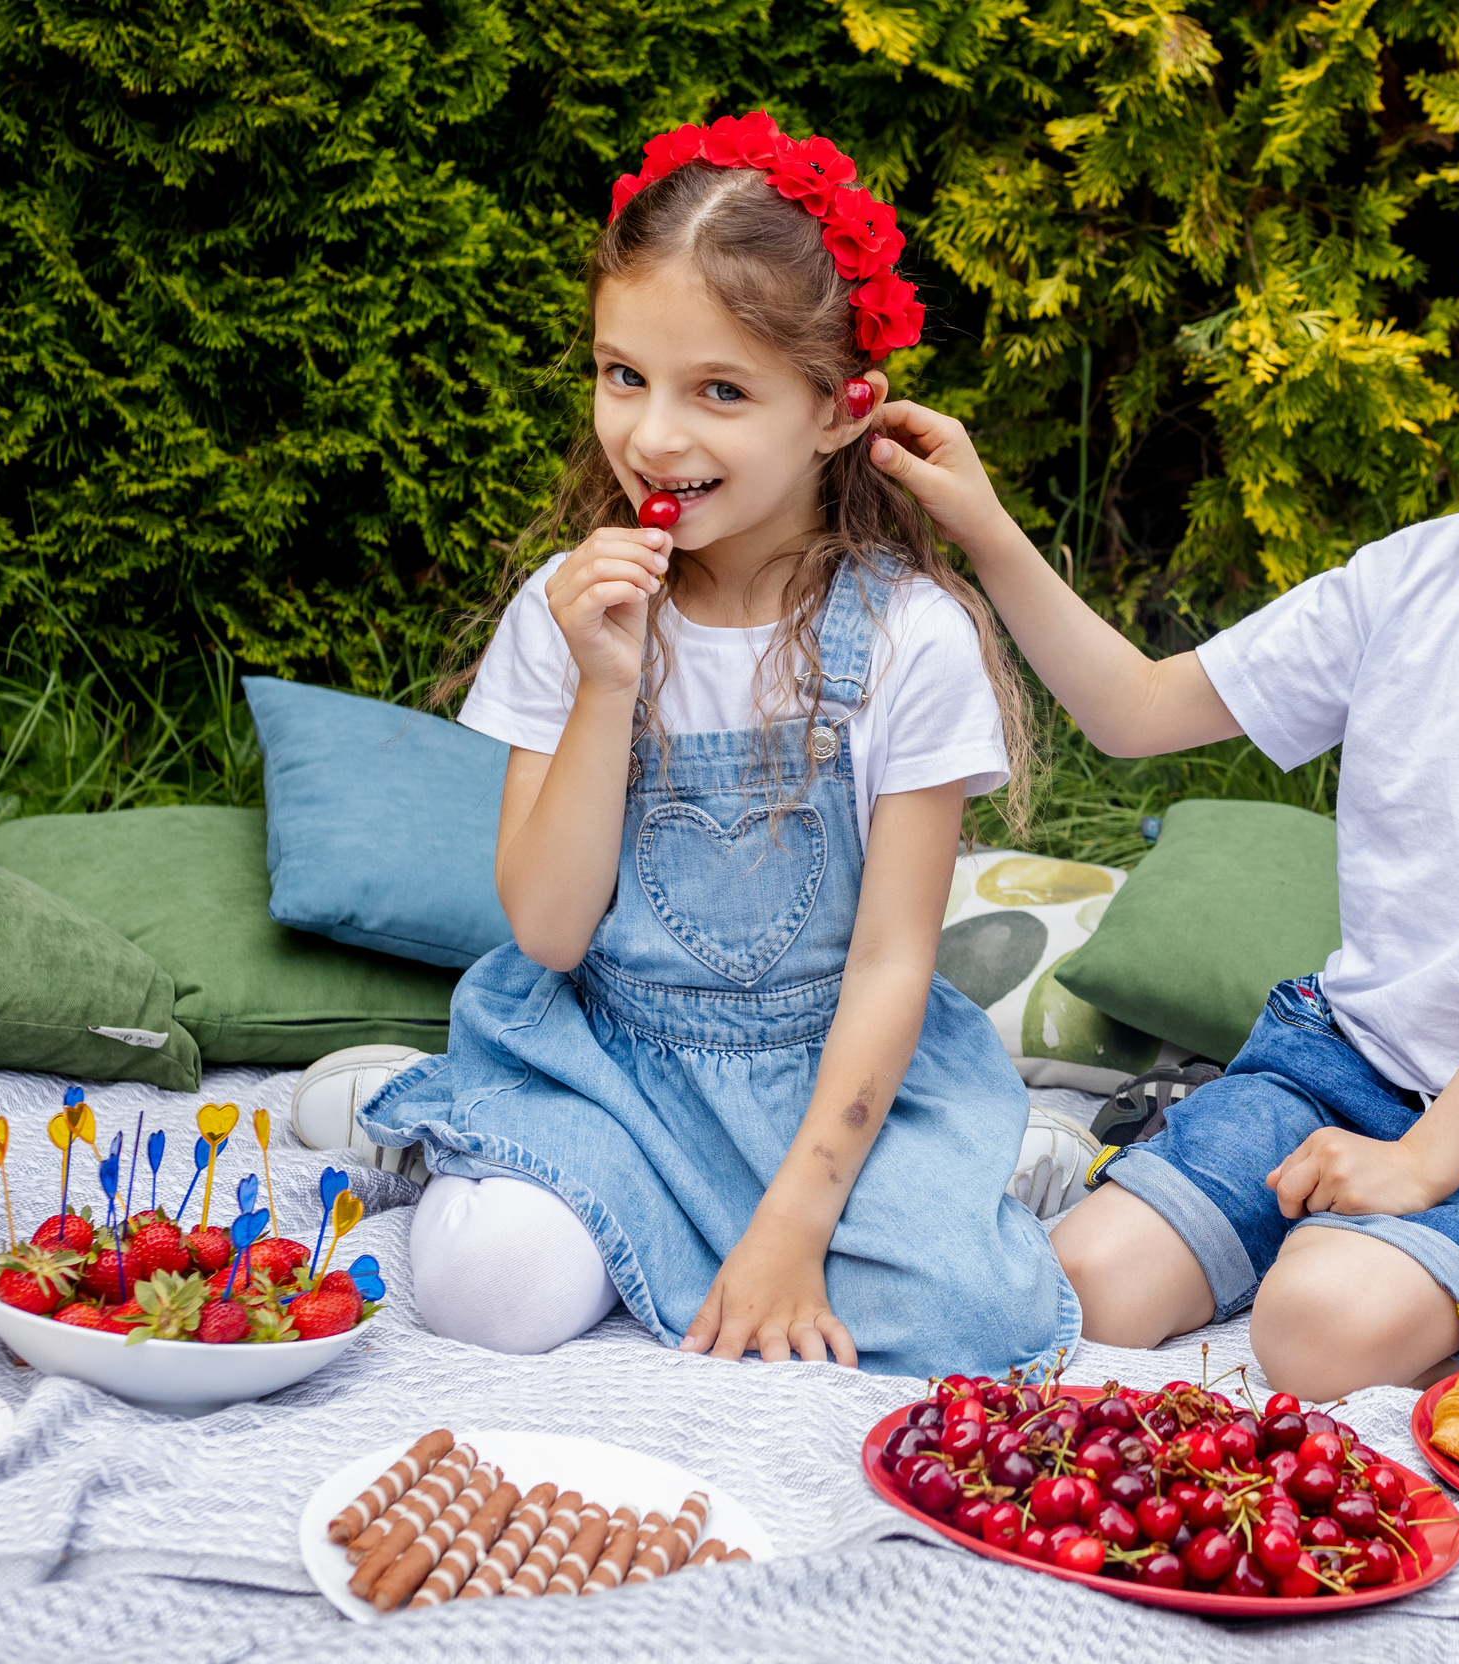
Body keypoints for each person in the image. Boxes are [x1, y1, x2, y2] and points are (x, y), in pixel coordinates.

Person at [870, 144, 1459, 1398]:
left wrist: (1425, 1163)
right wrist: (982, 519)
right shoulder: (1411, 577)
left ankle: (1406, 1248)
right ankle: (1245, 1197)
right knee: (1085, 1293)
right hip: (1340, 1059)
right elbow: (1137, 710)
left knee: (1312, 1331)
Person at [355, 111, 1080, 1373]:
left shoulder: (912, 640)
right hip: (610, 1066)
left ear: (841, 410)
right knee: (488, 1291)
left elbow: (890, 966)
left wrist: (797, 1222)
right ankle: (452, 1133)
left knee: (980, 1323)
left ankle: (970, 1174)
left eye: (720, 392)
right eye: (622, 374)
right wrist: (603, 687)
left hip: (835, 1080)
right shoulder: (568, 611)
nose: (652, 435)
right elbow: (548, 933)